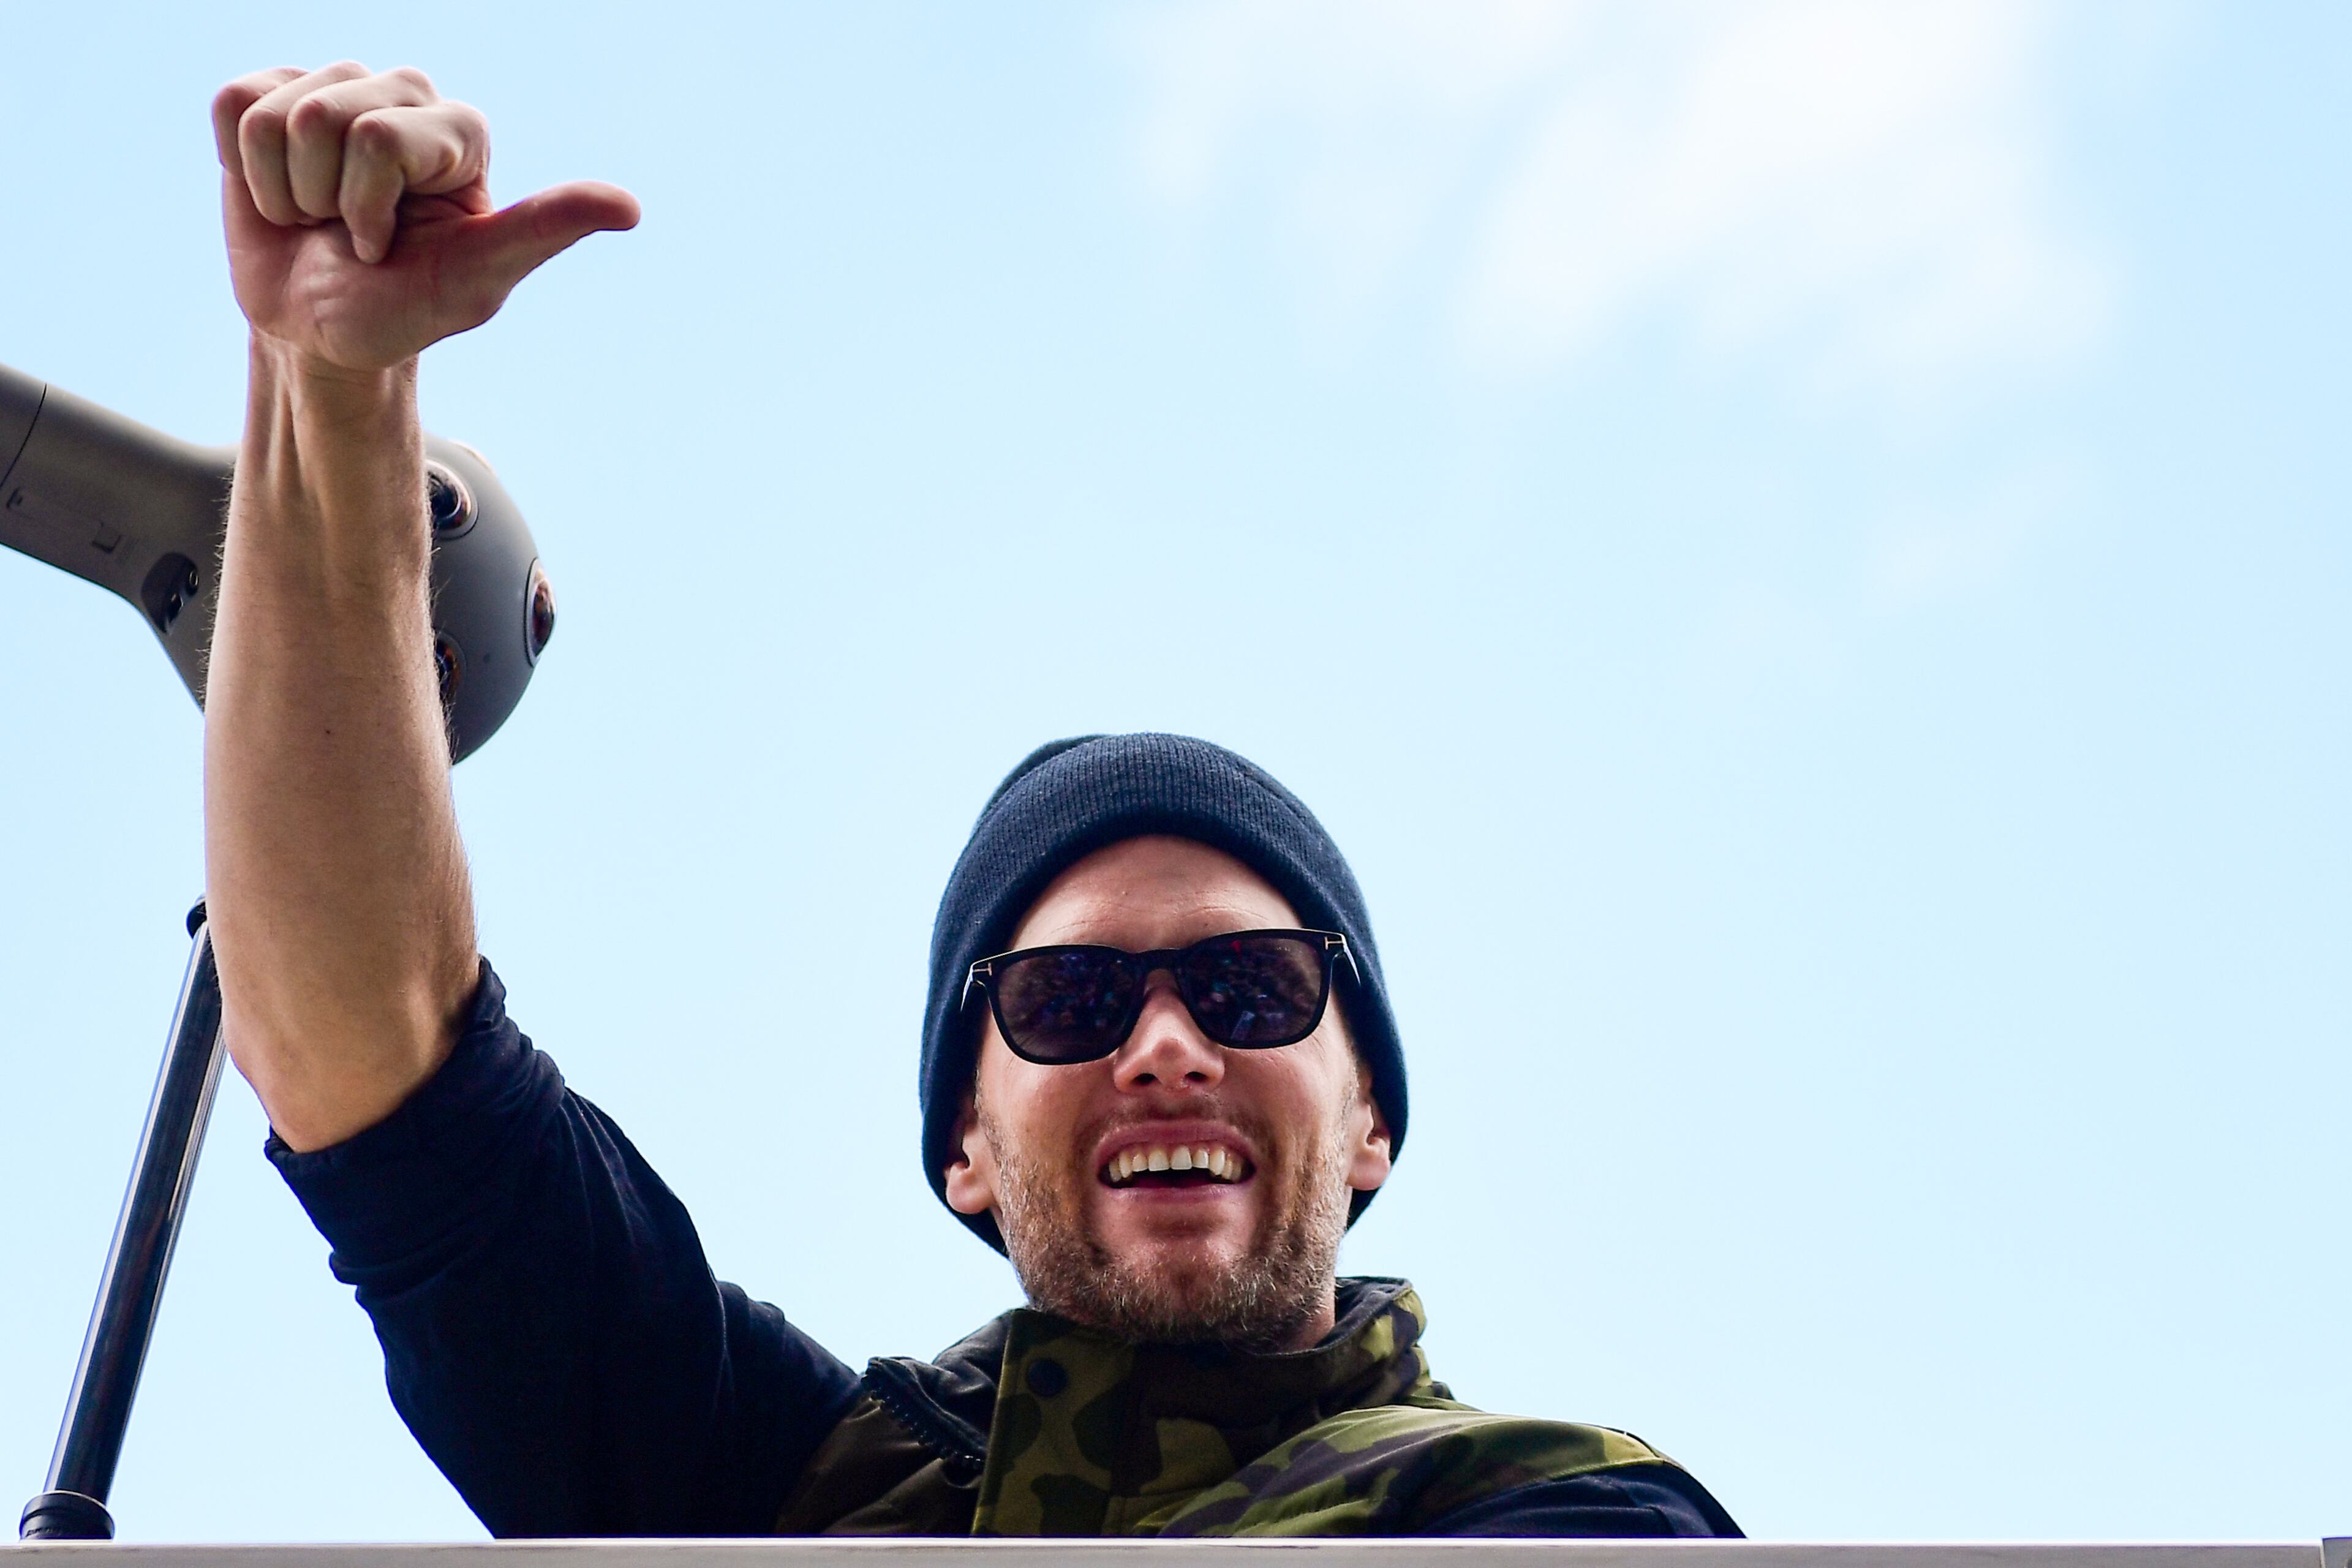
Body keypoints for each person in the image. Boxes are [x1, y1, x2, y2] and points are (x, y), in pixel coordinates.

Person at [203, 62, 1743, 1540]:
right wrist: (333, 393)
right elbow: (385, 1074)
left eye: (1251, 984)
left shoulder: (1561, 1508)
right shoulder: (774, 1485)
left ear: (1371, 1124)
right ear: (966, 1145)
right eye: (1068, 997)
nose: (1164, 1044)